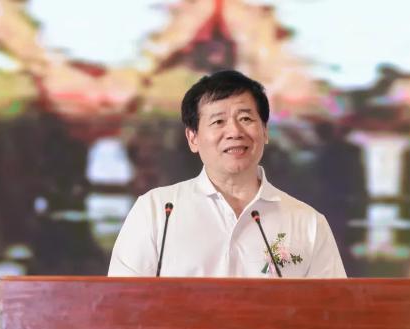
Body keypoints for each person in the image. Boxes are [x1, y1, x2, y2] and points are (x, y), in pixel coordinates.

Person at [108, 70, 346, 278]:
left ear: (264, 131)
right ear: (193, 138)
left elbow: (334, 309)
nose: (234, 131)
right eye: (218, 121)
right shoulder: (157, 211)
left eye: (246, 118)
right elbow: (120, 302)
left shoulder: (308, 223)